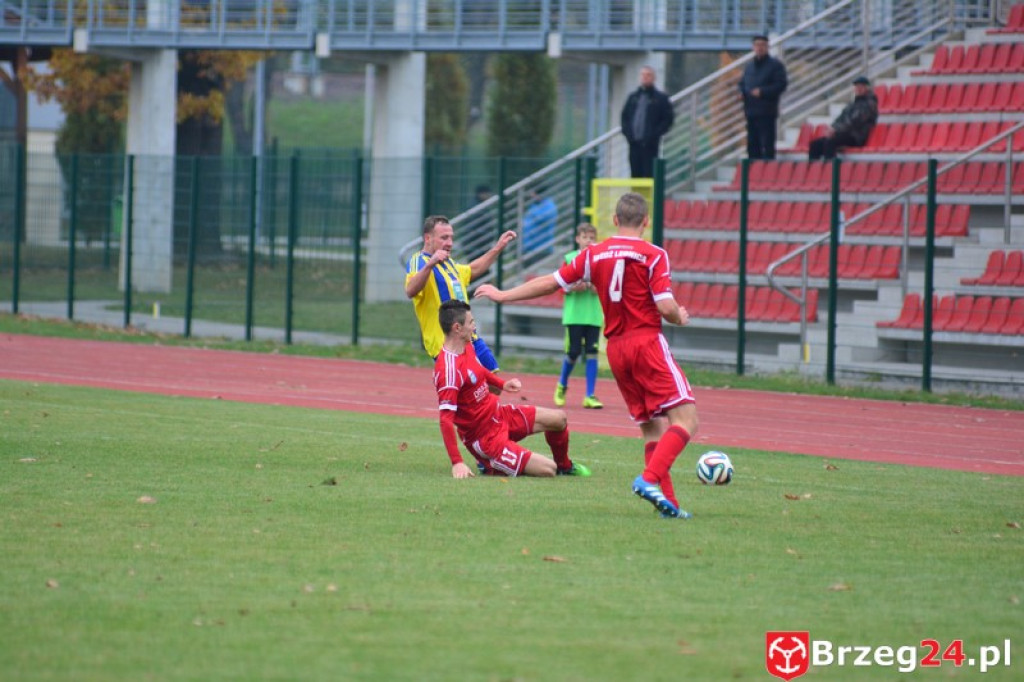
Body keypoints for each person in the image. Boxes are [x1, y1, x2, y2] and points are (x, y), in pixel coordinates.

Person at [476, 193, 698, 519]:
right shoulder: (654, 254)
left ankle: (669, 504)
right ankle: (649, 479)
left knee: (652, 428)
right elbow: (665, 307)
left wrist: (503, 294)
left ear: (616, 221)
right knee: (686, 420)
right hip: (646, 342)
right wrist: (679, 315)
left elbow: (551, 283)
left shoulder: (594, 253)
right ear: (646, 222)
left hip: (617, 350)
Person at [434, 300, 591, 479]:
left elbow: (478, 371)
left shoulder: (466, 346)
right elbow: (445, 420)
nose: (474, 326)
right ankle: (489, 464)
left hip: (499, 415)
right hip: (486, 439)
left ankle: (565, 466)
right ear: (457, 328)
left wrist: (502, 384)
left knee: (559, 419)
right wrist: (457, 462)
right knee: (548, 469)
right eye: (471, 322)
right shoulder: (448, 371)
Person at [405, 215, 516, 371]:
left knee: (493, 380)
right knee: (468, 390)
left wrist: (498, 247)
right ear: (428, 238)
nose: (449, 243)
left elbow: (472, 270)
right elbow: (410, 290)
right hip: (447, 344)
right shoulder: (419, 261)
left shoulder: (450, 263)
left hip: (471, 339)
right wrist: (430, 265)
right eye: (444, 238)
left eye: (451, 238)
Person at [554, 223, 604, 410]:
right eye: (585, 237)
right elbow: (560, 286)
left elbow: (605, 286)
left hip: (593, 315)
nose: (588, 241)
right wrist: (574, 287)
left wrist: (594, 287)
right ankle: (562, 385)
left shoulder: (599, 260)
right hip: (574, 316)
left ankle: (589, 395)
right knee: (573, 352)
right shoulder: (570, 259)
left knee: (592, 352)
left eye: (592, 238)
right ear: (577, 239)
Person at [739, 34, 789, 160]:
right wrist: (742, 93)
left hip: (767, 111)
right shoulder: (749, 66)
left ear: (767, 47)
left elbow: (781, 85)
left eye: (762, 45)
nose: (759, 48)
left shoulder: (775, 65)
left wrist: (762, 92)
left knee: (767, 144)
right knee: (752, 145)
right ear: (753, 47)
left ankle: (767, 173)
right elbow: (742, 83)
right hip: (750, 111)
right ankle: (752, 173)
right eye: (757, 45)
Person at [620, 65, 675, 178]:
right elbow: (625, 117)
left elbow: (668, 119)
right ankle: (636, 196)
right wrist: (628, 135)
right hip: (634, 144)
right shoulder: (633, 97)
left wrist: (654, 135)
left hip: (651, 146)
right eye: (643, 75)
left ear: (654, 78)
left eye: (648, 75)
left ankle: (649, 196)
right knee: (635, 175)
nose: (645, 78)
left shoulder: (661, 99)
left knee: (649, 174)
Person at [808, 76, 879, 161]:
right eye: (857, 87)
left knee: (830, 142)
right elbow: (841, 118)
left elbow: (854, 122)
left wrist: (836, 130)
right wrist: (832, 128)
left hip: (856, 136)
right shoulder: (853, 103)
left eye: (861, 86)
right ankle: (816, 171)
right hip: (845, 134)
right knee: (815, 145)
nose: (858, 89)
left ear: (867, 88)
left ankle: (831, 169)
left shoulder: (869, 104)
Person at [521, 186, 558, 258]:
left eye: (533, 194)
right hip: (529, 245)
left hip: (541, 246)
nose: (532, 197)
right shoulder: (535, 205)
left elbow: (541, 219)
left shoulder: (549, 206)